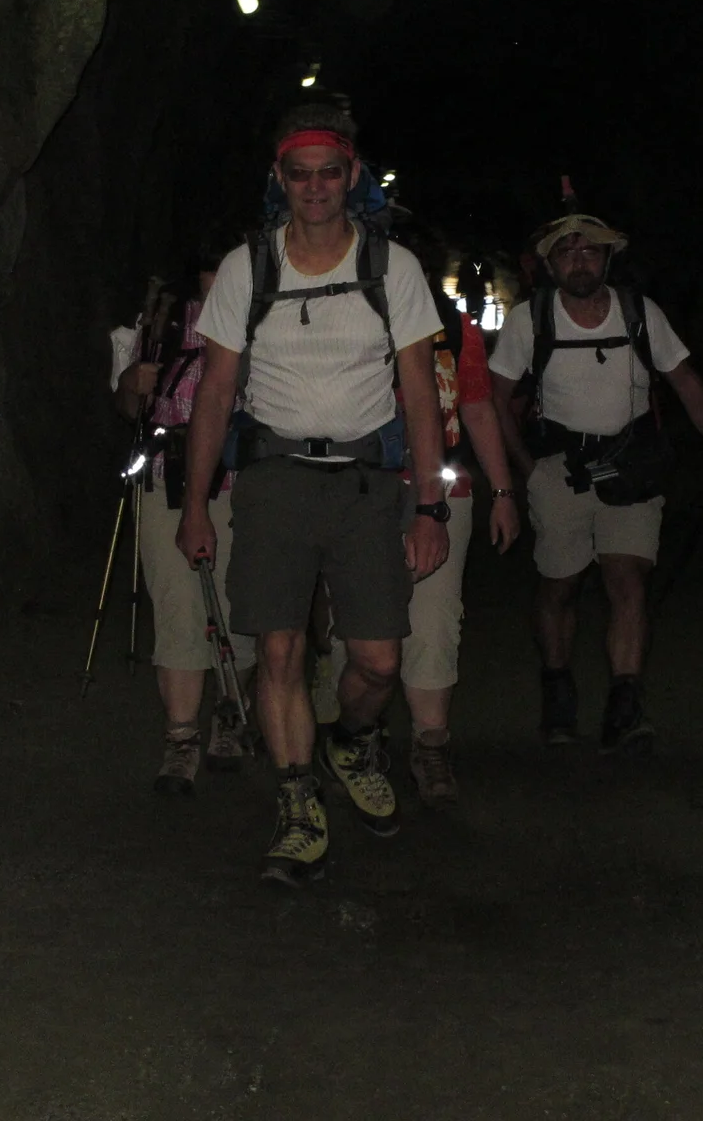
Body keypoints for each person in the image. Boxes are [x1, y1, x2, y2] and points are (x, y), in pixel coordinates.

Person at [175, 103, 449, 886]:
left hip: (365, 484)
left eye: (331, 172)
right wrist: (197, 504)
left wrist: (429, 505)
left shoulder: (391, 268)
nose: (317, 187)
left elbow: (421, 395)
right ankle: (298, 803)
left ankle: (352, 739)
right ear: (280, 180)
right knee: (281, 647)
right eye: (301, 174)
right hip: (275, 481)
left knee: (380, 658)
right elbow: (216, 391)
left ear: (352, 176)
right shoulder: (248, 267)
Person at [489, 213, 703, 755]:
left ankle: (625, 708)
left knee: (628, 582)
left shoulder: (639, 313)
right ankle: (557, 687)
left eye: (591, 251)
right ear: (550, 264)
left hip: (632, 466)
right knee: (562, 585)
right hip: (560, 470)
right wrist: (526, 472)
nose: (580, 260)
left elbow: (686, 381)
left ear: (608, 258)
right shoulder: (528, 320)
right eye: (568, 252)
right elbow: (496, 401)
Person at [313, 212, 521, 806]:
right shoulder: (341, 325)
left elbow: (477, 409)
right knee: (352, 625)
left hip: (441, 494)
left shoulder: (454, 332)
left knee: (434, 623)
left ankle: (431, 744)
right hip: (356, 493)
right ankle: (355, 734)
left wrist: (503, 492)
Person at [113, 233, 254, 795]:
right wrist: (130, 384)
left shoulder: (266, 326)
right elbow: (128, 406)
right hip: (166, 477)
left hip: (243, 481)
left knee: (240, 604)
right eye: (210, 271)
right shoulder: (162, 325)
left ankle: (229, 711)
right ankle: (180, 740)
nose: (218, 283)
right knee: (175, 606)